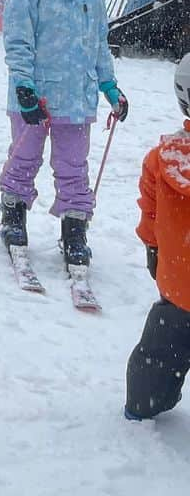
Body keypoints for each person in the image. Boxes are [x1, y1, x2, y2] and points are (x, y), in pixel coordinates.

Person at [0, 0, 129, 268]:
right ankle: (13, 213)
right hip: (35, 97)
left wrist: (110, 87)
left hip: (76, 98)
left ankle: (75, 230)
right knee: (24, 159)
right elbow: (19, 44)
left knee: (73, 165)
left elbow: (99, 46)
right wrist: (24, 87)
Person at [125, 53, 190, 421]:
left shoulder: (161, 158)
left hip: (179, 286)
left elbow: (150, 212)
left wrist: (153, 248)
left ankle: (144, 401)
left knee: (159, 355)